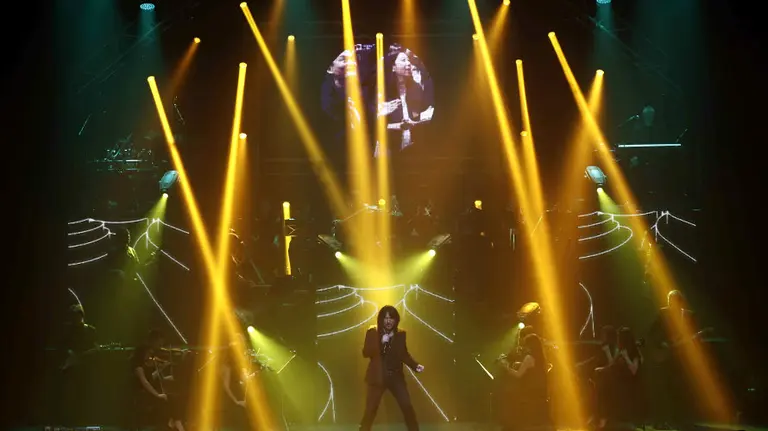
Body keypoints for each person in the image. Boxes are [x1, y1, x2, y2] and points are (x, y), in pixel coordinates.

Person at [360, 305, 424, 431]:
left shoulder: (400, 334)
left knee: (407, 406)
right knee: (370, 410)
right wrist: (380, 343)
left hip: (395, 377)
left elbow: (403, 354)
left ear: (396, 320)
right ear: (381, 319)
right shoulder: (372, 332)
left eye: (391, 318)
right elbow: (365, 352)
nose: (388, 321)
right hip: (377, 376)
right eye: (385, 318)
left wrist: (415, 365)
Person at [378, 48, 434, 154]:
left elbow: (423, 112)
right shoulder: (382, 90)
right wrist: (397, 126)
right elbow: (374, 124)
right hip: (388, 146)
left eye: (409, 61)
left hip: (413, 144)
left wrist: (418, 121)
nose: (408, 64)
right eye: (403, 60)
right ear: (393, 67)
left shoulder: (416, 87)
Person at [131, 329, 185, 431]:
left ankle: (175, 423)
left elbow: (151, 378)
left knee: (174, 398)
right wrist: (157, 395)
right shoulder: (138, 367)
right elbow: (145, 383)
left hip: (148, 393)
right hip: (142, 394)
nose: (150, 356)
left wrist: (161, 368)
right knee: (170, 399)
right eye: (148, 354)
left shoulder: (144, 365)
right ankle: (177, 425)